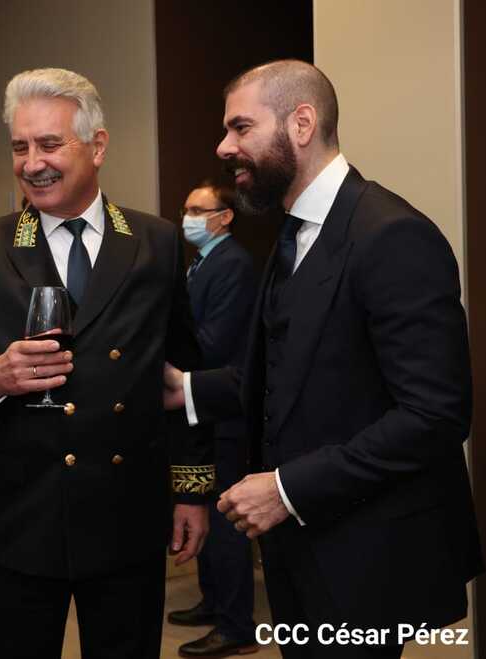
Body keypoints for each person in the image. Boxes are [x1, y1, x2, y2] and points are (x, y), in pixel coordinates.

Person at [164, 60, 483, 658]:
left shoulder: (391, 235)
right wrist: (187, 389)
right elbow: (293, 372)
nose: (224, 146)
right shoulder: (292, 234)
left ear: (302, 124)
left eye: (240, 127)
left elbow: (435, 416)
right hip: (301, 554)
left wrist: (286, 489)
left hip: (366, 560)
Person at [0, 67, 211, 659]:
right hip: (23, 518)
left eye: (49, 144)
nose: (32, 164)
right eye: (20, 147)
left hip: (125, 514)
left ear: (97, 146)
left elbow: (184, 375)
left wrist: (191, 490)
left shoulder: (154, 242)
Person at [168, 179, 258, 657]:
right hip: (198, 407)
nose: (188, 218)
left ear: (225, 217)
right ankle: (214, 601)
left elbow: (215, 341)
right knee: (201, 504)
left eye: (198, 210)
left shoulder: (234, 264)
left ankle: (235, 626)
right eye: (186, 208)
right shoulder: (202, 261)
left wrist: (165, 357)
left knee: (225, 518)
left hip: (221, 408)